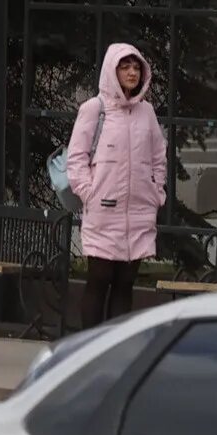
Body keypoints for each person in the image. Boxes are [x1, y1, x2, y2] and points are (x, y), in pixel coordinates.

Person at [67, 42, 167, 329]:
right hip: (103, 211)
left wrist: (155, 193)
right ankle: (89, 347)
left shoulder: (146, 112)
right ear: (113, 70)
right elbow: (76, 158)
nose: (132, 73)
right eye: (125, 67)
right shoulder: (93, 109)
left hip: (138, 212)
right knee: (99, 280)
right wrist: (90, 193)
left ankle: (115, 349)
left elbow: (158, 156)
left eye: (136, 67)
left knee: (125, 283)